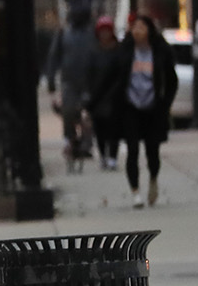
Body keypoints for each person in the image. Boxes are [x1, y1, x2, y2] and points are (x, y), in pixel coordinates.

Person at [89, 14, 179, 207]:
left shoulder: (161, 51)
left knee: (152, 151)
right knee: (132, 150)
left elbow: (172, 81)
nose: (137, 30)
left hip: (153, 108)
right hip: (130, 107)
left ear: (149, 30)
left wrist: (165, 103)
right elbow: (108, 79)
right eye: (134, 27)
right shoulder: (124, 51)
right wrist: (91, 103)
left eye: (141, 27)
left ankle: (153, 179)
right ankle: (135, 192)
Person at [44, 11, 100, 170]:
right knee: (68, 112)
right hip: (69, 82)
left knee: (88, 114)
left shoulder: (91, 34)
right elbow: (54, 57)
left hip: (88, 81)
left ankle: (86, 144)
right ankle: (70, 140)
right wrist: (51, 80)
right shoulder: (64, 34)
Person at [87, 17, 122, 171]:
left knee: (114, 127)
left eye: (107, 31)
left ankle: (113, 156)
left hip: (115, 97)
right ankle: (103, 155)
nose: (105, 34)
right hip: (97, 97)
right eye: (102, 31)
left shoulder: (118, 51)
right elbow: (88, 74)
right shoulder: (94, 52)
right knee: (99, 128)